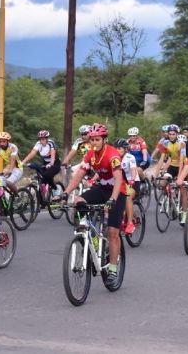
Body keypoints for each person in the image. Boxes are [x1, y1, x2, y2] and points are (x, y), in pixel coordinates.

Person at [63, 123, 126, 287]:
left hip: (117, 192)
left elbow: (119, 180)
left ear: (104, 140)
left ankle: (112, 269)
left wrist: (112, 199)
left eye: (97, 139)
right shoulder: (90, 154)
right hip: (102, 188)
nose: (94, 142)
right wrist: (65, 193)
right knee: (79, 202)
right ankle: (83, 232)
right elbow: (79, 175)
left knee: (113, 232)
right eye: (92, 140)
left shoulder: (112, 155)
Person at [21, 130, 61, 195]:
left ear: (47, 139)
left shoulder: (50, 143)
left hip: (55, 163)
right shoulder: (38, 144)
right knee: (42, 180)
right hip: (45, 163)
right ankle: (43, 195)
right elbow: (32, 153)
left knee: (47, 175)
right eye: (40, 139)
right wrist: (23, 162)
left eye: (43, 139)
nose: (41, 141)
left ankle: (55, 189)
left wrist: (51, 164)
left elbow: (53, 155)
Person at [114, 138, 138, 235]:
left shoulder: (130, 157)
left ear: (125, 149)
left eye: (120, 148)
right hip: (119, 183)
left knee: (127, 197)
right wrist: (94, 179)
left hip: (132, 182)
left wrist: (132, 179)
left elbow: (133, 169)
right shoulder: (113, 157)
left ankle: (130, 223)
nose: (117, 150)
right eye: (116, 148)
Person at [0, 131, 23, 196]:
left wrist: (10, 171)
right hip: (8, 167)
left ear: (8, 141)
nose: (1, 143)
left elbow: (13, 160)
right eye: (0, 141)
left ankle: (16, 196)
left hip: (17, 168)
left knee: (9, 182)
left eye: (4, 141)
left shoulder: (12, 147)